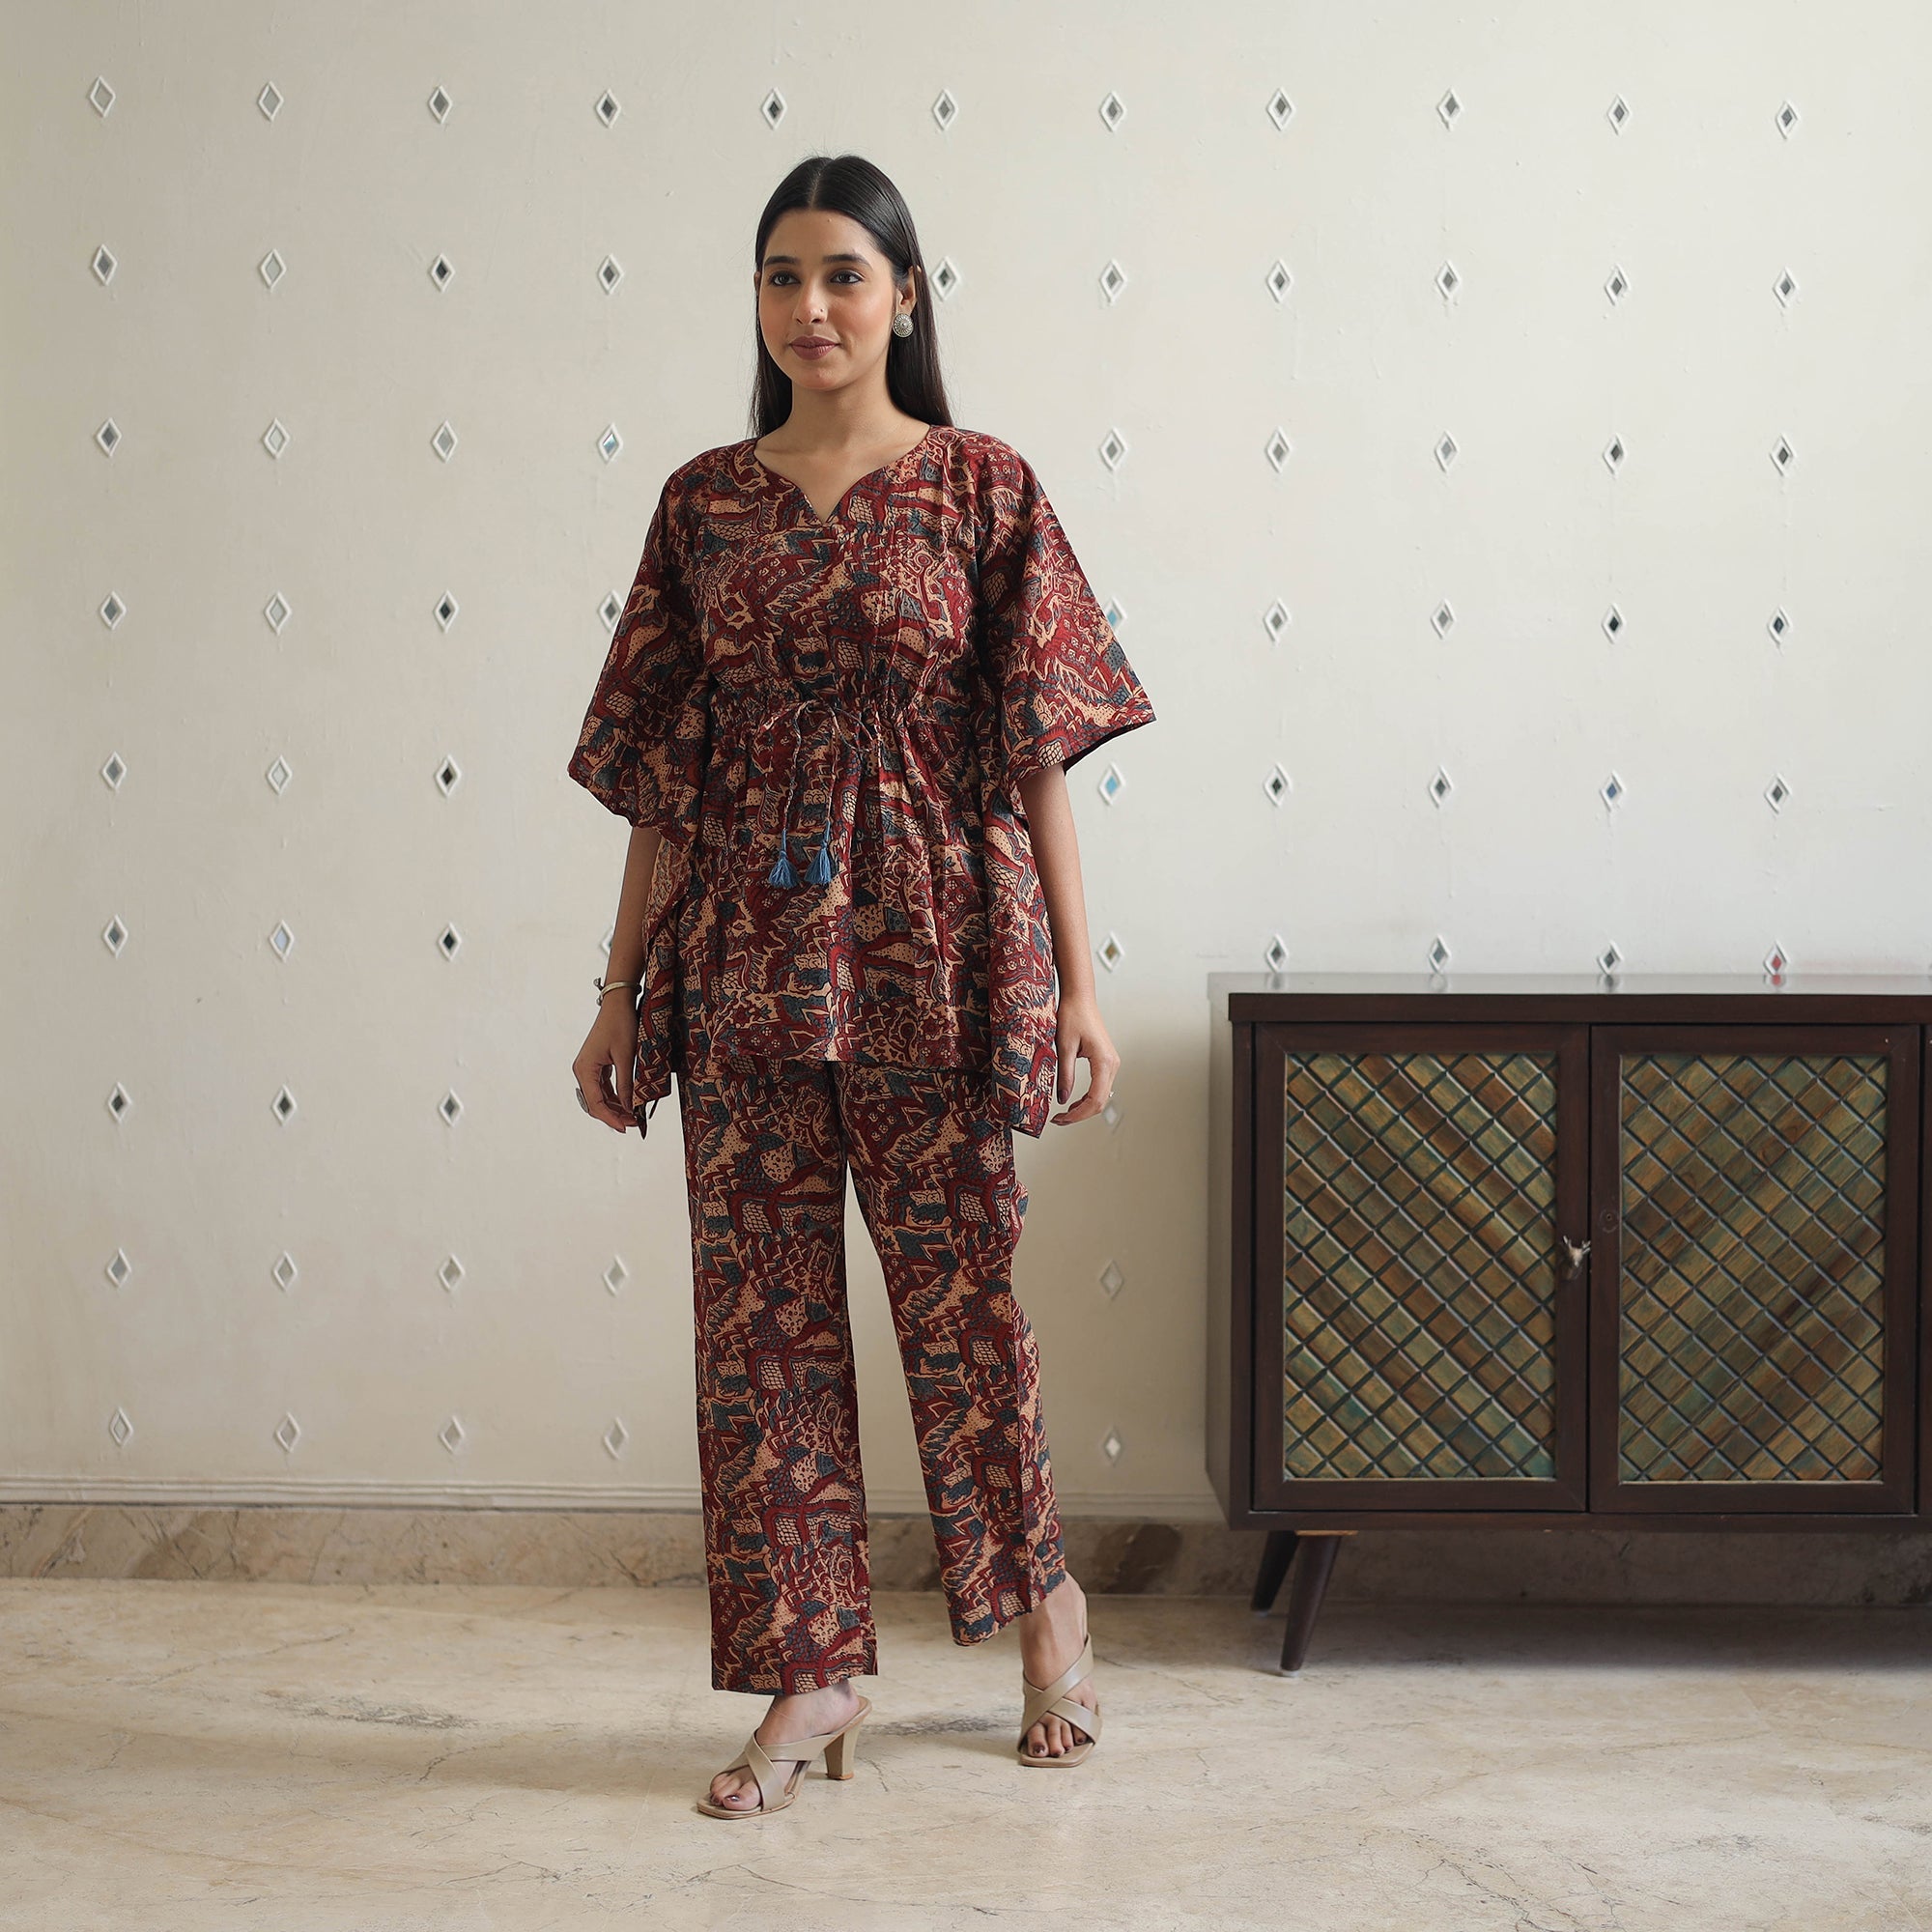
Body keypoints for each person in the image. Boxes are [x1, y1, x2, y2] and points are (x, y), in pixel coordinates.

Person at [566, 153, 1156, 1819]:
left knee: (967, 1312)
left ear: (904, 297)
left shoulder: (981, 487)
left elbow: (1038, 756)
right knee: (760, 1330)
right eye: (782, 276)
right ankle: (812, 1669)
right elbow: (664, 771)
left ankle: (1047, 1610)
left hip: (938, 955)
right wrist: (619, 990)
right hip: (744, 961)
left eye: (842, 274)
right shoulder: (702, 505)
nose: (810, 307)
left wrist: (1079, 988)